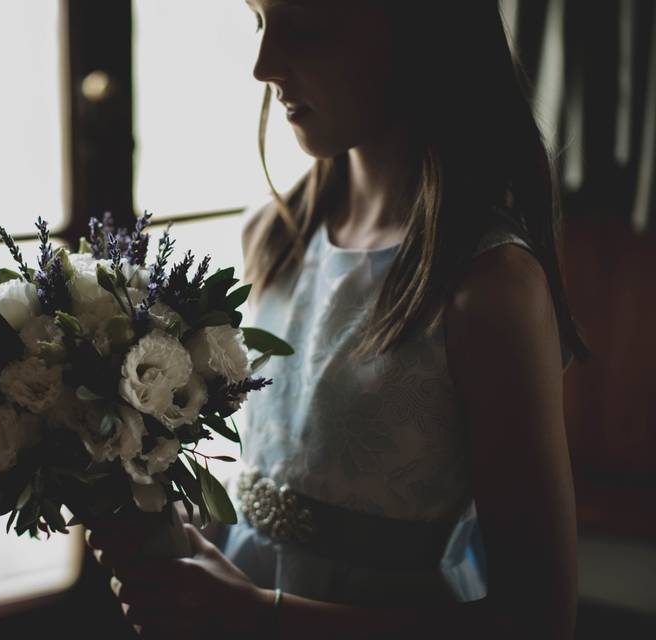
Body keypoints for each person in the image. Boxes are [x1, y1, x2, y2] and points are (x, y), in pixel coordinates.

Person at [85, 0, 589, 637]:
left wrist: (257, 616)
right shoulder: (275, 234)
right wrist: (169, 523)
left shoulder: (490, 287)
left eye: (304, 27)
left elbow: (538, 620)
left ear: (418, 30)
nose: (263, 66)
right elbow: (282, 472)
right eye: (261, 23)